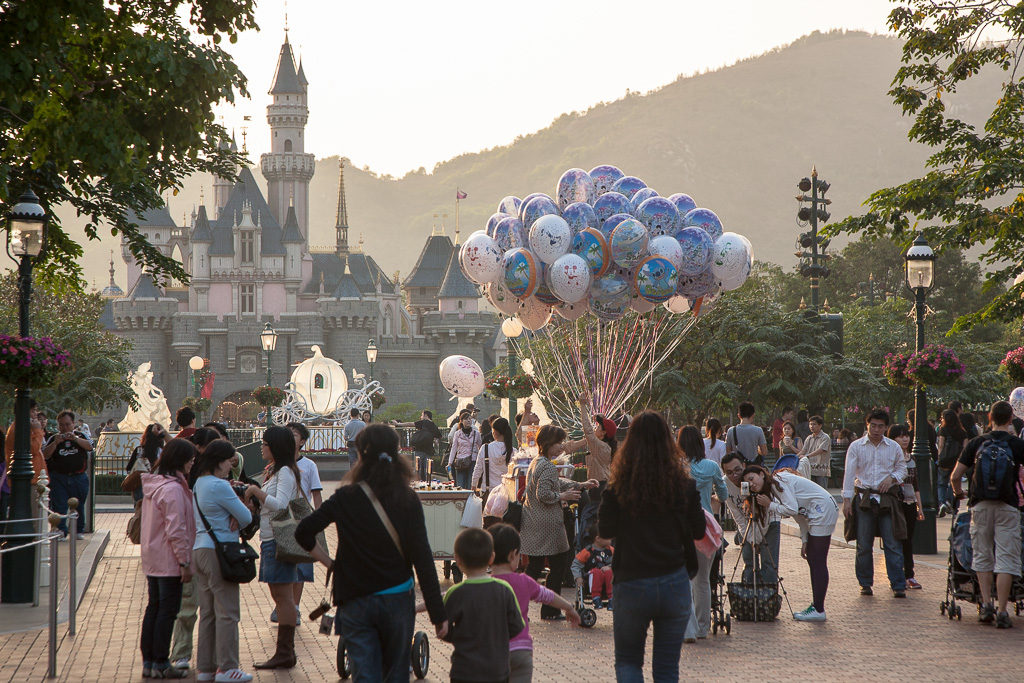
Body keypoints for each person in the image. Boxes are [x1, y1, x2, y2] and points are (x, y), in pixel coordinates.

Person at [295, 423, 448, 681]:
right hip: (397, 597)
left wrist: (330, 563)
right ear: (396, 453)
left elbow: (303, 532)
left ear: (360, 455)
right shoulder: (407, 498)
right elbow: (422, 558)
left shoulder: (345, 496)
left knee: (364, 674)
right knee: (396, 674)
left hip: (355, 597)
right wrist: (438, 614)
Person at [599, 411, 705, 683]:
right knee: (667, 668)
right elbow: (698, 531)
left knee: (628, 662)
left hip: (631, 580)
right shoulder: (685, 487)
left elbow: (605, 531)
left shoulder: (618, 488)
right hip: (674, 580)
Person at [950, 400, 1024, 629]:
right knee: (1006, 557)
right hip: (1007, 506)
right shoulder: (1016, 444)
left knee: (982, 555)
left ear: (990, 418)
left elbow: (955, 475)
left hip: (980, 506)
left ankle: (986, 605)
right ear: (1010, 419)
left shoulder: (976, 443)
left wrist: (959, 492)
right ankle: (1003, 610)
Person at [190, 440, 254, 683]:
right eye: (229, 461)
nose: (231, 466)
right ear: (219, 461)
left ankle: (206, 667)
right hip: (219, 551)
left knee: (207, 612)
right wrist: (239, 511)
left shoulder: (199, 483)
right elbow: (246, 516)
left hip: (200, 548)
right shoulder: (219, 486)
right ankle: (227, 667)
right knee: (228, 611)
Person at [742, 465, 838, 622]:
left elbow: (792, 509)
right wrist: (805, 539)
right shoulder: (775, 485)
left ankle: (819, 609)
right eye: (747, 483)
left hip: (822, 510)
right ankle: (817, 607)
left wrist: (769, 505)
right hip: (816, 512)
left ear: (761, 474)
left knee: (817, 560)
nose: (752, 484)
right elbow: (798, 514)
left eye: (752, 479)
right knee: (814, 559)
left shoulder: (778, 482)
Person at [521, 425, 597, 620]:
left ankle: (522, 607)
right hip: (546, 525)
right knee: (556, 566)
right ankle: (548, 609)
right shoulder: (545, 465)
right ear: (548, 444)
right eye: (558, 443)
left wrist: (579, 485)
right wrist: (564, 495)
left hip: (538, 524)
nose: (560, 446)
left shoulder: (539, 462)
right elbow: (544, 493)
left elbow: (555, 483)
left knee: (537, 566)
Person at [243, 426, 303, 670]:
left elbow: (280, 505)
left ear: (276, 447)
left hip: (278, 540)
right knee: (279, 596)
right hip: (270, 539)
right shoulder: (276, 472)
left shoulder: (286, 473)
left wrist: (256, 491)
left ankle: (285, 651)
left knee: (283, 597)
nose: (261, 446)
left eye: (265, 443)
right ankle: (284, 651)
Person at [491, 523, 579, 683]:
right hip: (521, 651)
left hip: (492, 652)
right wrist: (569, 607)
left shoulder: (483, 584)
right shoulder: (524, 581)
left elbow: (452, 596)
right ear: (513, 555)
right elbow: (548, 596)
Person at [139, 439, 196, 679]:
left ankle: (150, 661)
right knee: (166, 611)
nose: (193, 463)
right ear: (180, 460)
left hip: (154, 556)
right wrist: (184, 561)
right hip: (169, 558)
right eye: (191, 459)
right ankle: (161, 661)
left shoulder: (157, 485)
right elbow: (176, 529)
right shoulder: (172, 489)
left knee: (154, 608)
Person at [441, 528, 524, 683]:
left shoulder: (455, 593)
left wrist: (460, 637)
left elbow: (443, 629)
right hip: (497, 669)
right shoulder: (504, 590)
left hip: (464, 669)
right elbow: (516, 627)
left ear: (457, 560)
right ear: (491, 557)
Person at [842, 409, 908, 598]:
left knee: (892, 542)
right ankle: (865, 583)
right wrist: (846, 501)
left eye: (881, 426)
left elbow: (902, 467)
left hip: (887, 499)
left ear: (886, 427)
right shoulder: (856, 446)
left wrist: (892, 478)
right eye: (873, 425)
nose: (877, 429)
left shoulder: (893, 447)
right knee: (864, 543)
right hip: (864, 498)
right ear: (867, 425)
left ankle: (898, 584)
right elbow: (849, 473)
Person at [677, 425, 726, 642]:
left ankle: (688, 627)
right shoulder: (711, 466)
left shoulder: (676, 467)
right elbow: (723, 494)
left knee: (684, 579)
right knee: (703, 581)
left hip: (681, 526)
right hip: (706, 527)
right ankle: (703, 627)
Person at [282, 422, 323, 622]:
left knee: (300, 565)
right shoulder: (277, 463)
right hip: (281, 517)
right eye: (288, 433)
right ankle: (284, 604)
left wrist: (319, 520)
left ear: (303, 441)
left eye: (295, 434)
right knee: (283, 563)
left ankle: (295, 606)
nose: (291, 437)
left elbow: (316, 494)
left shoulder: (309, 465)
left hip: (302, 516)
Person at [562, 397, 615, 549]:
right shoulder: (598, 444)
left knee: (590, 523)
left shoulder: (602, 447)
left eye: (599, 427)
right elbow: (585, 438)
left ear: (604, 433)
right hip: (596, 487)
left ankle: (589, 551)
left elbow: (587, 432)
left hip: (600, 488)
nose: (595, 428)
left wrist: (583, 406)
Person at [721, 452, 780, 585]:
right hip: (747, 526)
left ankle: (767, 600)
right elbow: (736, 514)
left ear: (744, 465)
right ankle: (748, 596)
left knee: (768, 562)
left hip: (768, 521)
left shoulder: (753, 480)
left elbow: (766, 516)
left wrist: (758, 539)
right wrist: (752, 539)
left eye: (737, 470)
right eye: (729, 472)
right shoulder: (725, 484)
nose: (734, 475)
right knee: (749, 560)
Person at [42, 410, 94, 538]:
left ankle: (78, 530)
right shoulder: (54, 438)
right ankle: (61, 531)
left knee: (79, 505)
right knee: (59, 505)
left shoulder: (81, 435)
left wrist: (75, 439)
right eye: (61, 425)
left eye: (67, 424)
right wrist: (56, 443)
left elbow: (90, 447)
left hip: (79, 477)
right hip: (59, 477)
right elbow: (45, 455)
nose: (65, 428)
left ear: (73, 424)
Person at [887, 424, 924, 589]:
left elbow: (915, 485)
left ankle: (909, 575)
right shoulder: (891, 459)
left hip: (910, 504)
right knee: (897, 541)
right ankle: (898, 575)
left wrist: (920, 507)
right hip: (896, 503)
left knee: (908, 540)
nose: (905, 439)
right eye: (900, 436)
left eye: (906, 435)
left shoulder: (911, 459)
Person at [4, 398, 47, 486]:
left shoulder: (25, 427)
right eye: (33, 411)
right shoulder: (19, 428)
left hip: (33, 478)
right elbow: (33, 449)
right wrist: (38, 430)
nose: (36, 414)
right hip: (27, 480)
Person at [936, 408, 968, 518]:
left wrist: (940, 457)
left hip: (944, 461)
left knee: (941, 483)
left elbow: (941, 445)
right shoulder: (962, 431)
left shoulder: (943, 430)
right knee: (954, 482)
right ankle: (953, 505)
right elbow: (965, 447)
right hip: (957, 461)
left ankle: (942, 503)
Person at [394, 410, 442, 481]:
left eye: (422, 415)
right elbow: (439, 436)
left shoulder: (424, 422)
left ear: (426, 416)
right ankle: (427, 484)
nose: (420, 417)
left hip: (419, 449)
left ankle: (419, 484)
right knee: (427, 470)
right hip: (429, 451)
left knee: (418, 469)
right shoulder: (434, 426)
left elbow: (410, 424)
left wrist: (398, 424)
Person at [571, 534, 615, 609]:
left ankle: (612, 598)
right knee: (596, 572)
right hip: (591, 579)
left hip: (608, 578)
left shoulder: (611, 550)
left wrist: (609, 567)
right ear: (597, 538)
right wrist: (578, 577)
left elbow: (619, 563)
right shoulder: (588, 551)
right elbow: (575, 565)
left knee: (609, 572)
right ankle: (596, 598)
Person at [472, 417, 515, 494]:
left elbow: (478, 469)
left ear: (494, 432)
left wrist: (473, 485)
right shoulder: (513, 451)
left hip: (489, 491)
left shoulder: (485, 448)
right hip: (507, 492)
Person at [127, 423, 167, 503]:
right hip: (157, 485)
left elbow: (129, 468)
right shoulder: (161, 451)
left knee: (140, 509)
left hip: (140, 485)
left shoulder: (139, 451)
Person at [447, 410, 482, 490]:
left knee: (470, 483)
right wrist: (450, 463)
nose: (469, 420)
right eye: (466, 419)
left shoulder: (476, 433)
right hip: (460, 461)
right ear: (461, 421)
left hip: (472, 461)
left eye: (470, 419)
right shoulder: (457, 434)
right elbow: (454, 448)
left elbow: (480, 447)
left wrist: (481, 461)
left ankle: (470, 501)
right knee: (460, 484)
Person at [798, 415, 832, 488]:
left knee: (822, 492)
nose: (811, 426)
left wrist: (807, 456)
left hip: (821, 471)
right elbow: (803, 450)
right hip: (810, 470)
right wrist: (795, 457)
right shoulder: (809, 438)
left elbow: (821, 450)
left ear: (820, 425)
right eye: (810, 424)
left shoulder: (825, 437)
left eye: (814, 424)